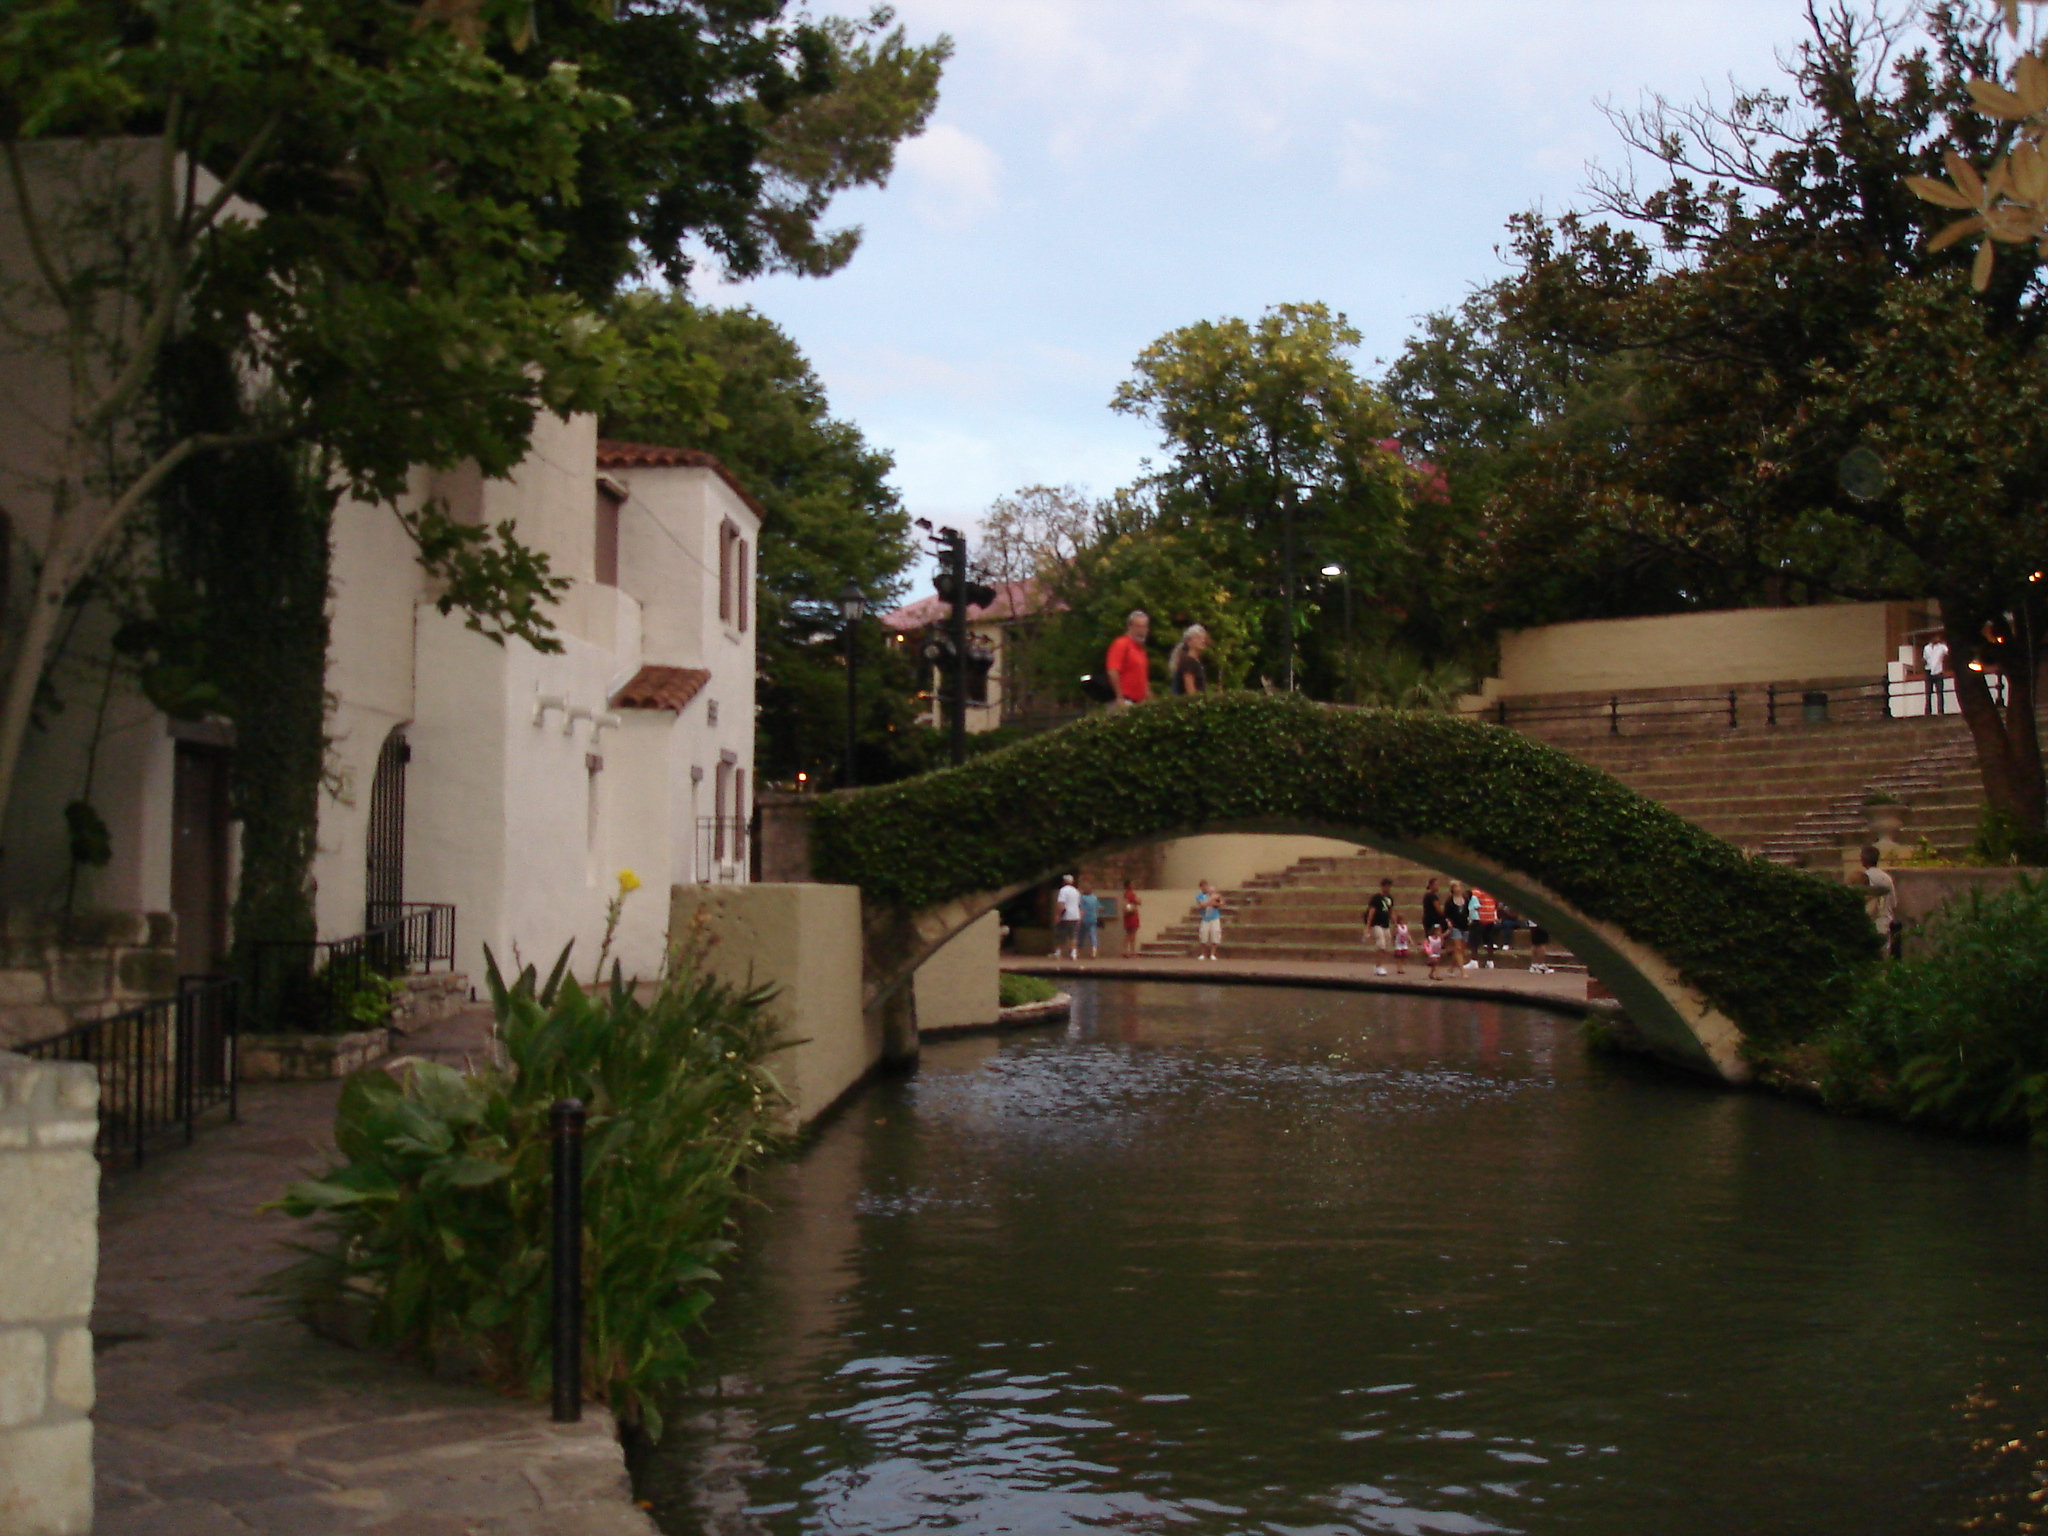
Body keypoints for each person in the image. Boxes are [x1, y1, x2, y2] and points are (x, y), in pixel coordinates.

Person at [1860, 844, 1900, 959]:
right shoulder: (1887, 878)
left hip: (1871, 924)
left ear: (1863, 859)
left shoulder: (1863, 878)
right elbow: (1894, 903)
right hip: (1887, 923)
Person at [1106, 610, 1151, 705]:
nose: (1142, 631)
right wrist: (1119, 697)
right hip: (1125, 700)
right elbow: (1113, 671)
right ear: (1130, 627)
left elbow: (1142, 677)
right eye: (1138, 626)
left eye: (1144, 627)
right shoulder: (1121, 644)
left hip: (1140, 702)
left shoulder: (1140, 650)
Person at [1362, 876, 1396, 977]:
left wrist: (1395, 924)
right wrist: (1368, 926)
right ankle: (1378, 966)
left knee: (1386, 944)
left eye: (1389, 886)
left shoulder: (1389, 898)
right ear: (1382, 886)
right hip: (1376, 924)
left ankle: (1380, 964)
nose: (1388, 888)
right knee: (1381, 944)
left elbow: (1391, 911)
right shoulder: (1376, 898)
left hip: (1385, 924)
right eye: (1386, 886)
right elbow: (1372, 912)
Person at [1168, 624, 1210, 695]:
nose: (1202, 641)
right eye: (1198, 638)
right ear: (1189, 641)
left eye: (1203, 638)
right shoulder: (1189, 662)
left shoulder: (1195, 662)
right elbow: (1190, 692)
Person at [1442, 880, 1472, 973]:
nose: (1458, 889)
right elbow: (1446, 914)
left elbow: (1469, 910)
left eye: (1459, 886)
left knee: (1461, 949)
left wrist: (1470, 918)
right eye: (1455, 887)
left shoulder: (1466, 899)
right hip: (1455, 926)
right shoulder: (1449, 901)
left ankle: (1451, 968)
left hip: (1465, 925)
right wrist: (1448, 922)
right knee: (1458, 948)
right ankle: (1462, 971)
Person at [1054, 874, 1082, 960]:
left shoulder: (1063, 891)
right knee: (1073, 935)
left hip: (1066, 916)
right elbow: (1079, 905)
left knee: (1061, 934)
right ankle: (1073, 954)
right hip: (1075, 915)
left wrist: (1058, 915)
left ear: (1064, 882)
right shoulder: (1076, 891)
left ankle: (1058, 952)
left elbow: (1061, 904)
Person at [1195, 879, 1224, 960]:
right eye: (1203, 887)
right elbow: (1202, 905)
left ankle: (1213, 954)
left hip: (1214, 917)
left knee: (1215, 935)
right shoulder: (1199, 896)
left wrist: (1214, 902)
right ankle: (1203, 954)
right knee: (1203, 936)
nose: (1205, 888)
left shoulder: (1214, 894)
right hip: (1205, 918)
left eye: (1206, 886)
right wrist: (1211, 901)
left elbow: (1220, 903)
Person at [1472, 888, 1499, 968]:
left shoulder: (1477, 890)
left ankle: (1474, 961)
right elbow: (1496, 903)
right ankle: (1490, 961)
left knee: (1475, 940)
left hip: (1480, 918)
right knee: (1490, 940)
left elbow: (1474, 903)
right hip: (1490, 917)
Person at [1923, 634, 1949, 715]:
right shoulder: (1926, 648)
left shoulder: (1941, 647)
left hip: (1938, 671)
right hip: (1929, 670)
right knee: (1928, 693)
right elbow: (1925, 658)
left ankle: (1940, 711)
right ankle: (1928, 712)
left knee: (1939, 692)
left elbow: (1947, 651)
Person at [1078, 882, 1102, 959]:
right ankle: (1094, 951)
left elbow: (1081, 909)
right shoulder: (1094, 898)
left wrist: (1079, 918)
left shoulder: (1082, 898)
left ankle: (1078, 951)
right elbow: (1098, 908)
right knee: (1093, 935)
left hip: (1084, 919)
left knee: (1081, 936)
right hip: (1093, 918)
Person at [1121, 882, 1143, 957]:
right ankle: (1132, 951)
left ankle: (1124, 950)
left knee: (1128, 934)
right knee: (1132, 934)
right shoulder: (1131, 894)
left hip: (1127, 915)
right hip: (1132, 915)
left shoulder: (1125, 894)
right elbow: (1139, 901)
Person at [1420, 877, 1442, 943]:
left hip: (1427, 919)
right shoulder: (1432, 896)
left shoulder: (1426, 895)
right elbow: (1438, 909)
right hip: (1432, 920)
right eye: (1436, 885)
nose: (1438, 887)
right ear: (1431, 886)